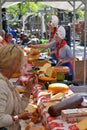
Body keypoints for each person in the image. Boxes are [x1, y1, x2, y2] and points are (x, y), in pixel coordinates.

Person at [0, 44, 38, 130]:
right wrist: (18, 117)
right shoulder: (1, 85)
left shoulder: (6, 81)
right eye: (21, 62)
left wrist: (28, 89)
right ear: (14, 62)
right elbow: (0, 120)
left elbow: (18, 109)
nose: (23, 65)